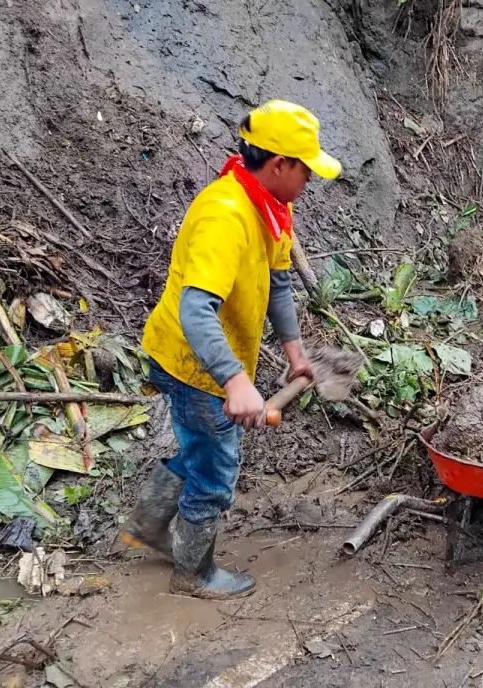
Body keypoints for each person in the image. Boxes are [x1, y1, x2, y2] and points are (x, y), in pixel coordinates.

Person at [126, 99, 342, 599]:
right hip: (189, 361)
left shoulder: (270, 206)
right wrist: (235, 380)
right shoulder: (227, 214)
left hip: (205, 358)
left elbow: (278, 282)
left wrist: (294, 352)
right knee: (216, 467)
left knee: (199, 449)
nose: (310, 181)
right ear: (280, 164)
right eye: (306, 171)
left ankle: (149, 523)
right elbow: (195, 309)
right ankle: (193, 573)